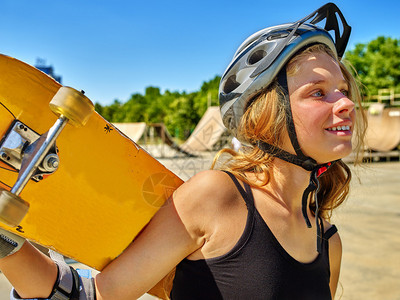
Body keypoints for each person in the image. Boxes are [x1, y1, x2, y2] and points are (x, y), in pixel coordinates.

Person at [0, 3, 367, 300]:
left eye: (342, 89)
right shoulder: (217, 198)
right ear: (267, 114)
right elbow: (91, 294)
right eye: (318, 92)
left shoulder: (328, 241)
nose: (346, 103)